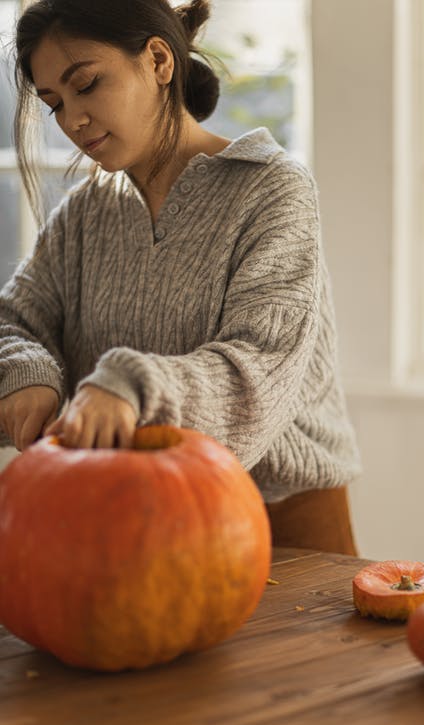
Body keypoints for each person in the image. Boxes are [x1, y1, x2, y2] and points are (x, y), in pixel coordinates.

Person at [0, 0, 361, 504]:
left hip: (274, 511)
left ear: (158, 61)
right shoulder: (87, 212)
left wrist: (132, 385)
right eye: (55, 103)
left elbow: (259, 367)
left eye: (85, 85)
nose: (73, 120)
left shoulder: (273, 189)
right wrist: (25, 373)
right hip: (122, 505)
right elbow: (13, 320)